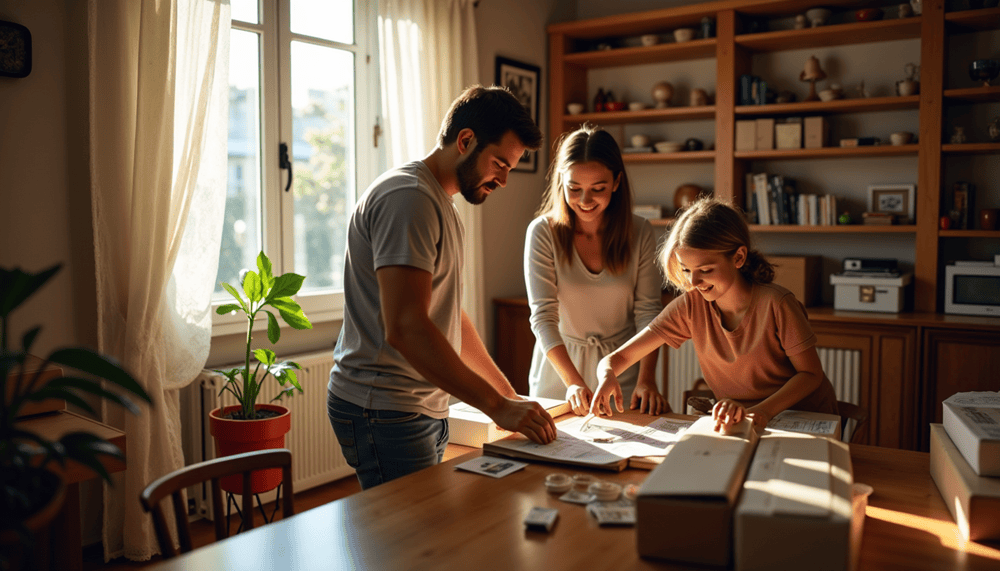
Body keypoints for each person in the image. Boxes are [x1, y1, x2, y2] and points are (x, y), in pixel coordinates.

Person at [328, 85, 556, 489]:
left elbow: (447, 316)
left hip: (413, 407)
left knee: (421, 538)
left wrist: (507, 396)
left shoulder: (439, 204)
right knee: (409, 542)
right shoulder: (409, 199)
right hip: (384, 407)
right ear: (466, 141)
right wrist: (495, 406)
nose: (503, 180)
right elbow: (407, 327)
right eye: (499, 163)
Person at [590, 197, 839, 432]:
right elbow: (615, 359)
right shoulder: (690, 306)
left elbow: (811, 375)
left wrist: (761, 411)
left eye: (705, 269)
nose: (693, 281)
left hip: (801, 419)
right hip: (745, 422)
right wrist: (607, 374)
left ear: (738, 257)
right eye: (686, 269)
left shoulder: (777, 304)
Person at [524, 124, 666, 416]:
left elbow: (649, 312)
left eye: (598, 189)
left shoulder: (640, 231)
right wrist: (573, 382)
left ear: (616, 183)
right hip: (559, 374)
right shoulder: (542, 232)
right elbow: (543, 318)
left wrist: (646, 379)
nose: (585, 201)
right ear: (561, 181)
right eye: (574, 189)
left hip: (621, 371)